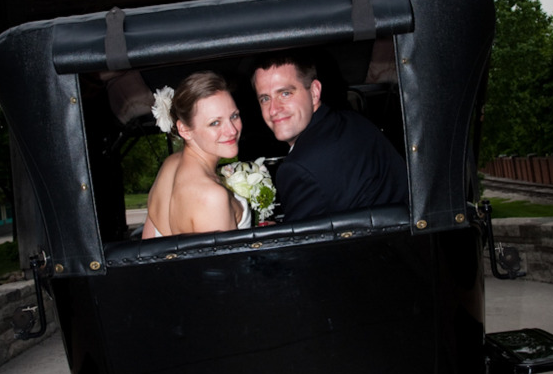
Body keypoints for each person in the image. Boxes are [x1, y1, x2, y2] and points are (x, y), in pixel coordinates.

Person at [252, 50, 408, 222]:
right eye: (265, 99)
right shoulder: (351, 120)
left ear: (314, 92)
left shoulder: (298, 168)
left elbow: (301, 245)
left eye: (285, 93)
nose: (273, 109)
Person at [142, 71, 251, 237]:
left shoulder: (170, 165)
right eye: (215, 123)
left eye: (234, 116)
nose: (232, 130)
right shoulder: (212, 197)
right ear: (185, 130)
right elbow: (226, 263)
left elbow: (148, 244)